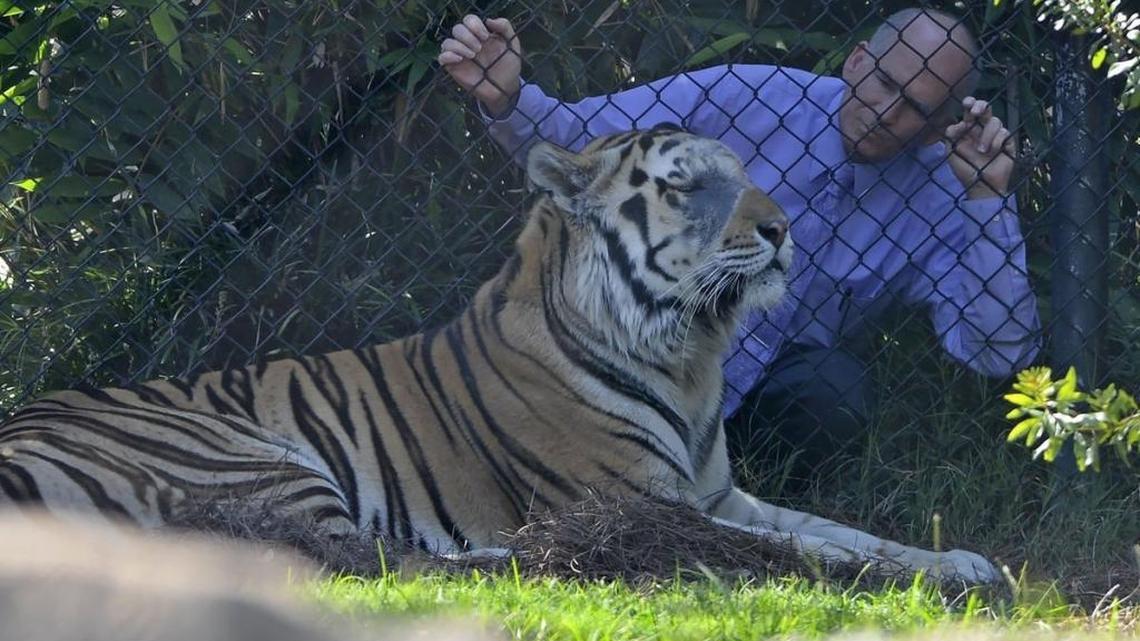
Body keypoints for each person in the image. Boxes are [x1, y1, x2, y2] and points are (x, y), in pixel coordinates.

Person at [438, 9, 1041, 480]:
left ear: (940, 126)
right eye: (883, 81)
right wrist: (507, 95)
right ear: (857, 61)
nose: (885, 111)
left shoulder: (939, 196)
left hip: (771, 387)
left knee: (833, 391)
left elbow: (997, 351)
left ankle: (749, 503)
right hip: (649, 343)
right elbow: (586, 144)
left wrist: (989, 200)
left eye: (915, 107)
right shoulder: (747, 94)